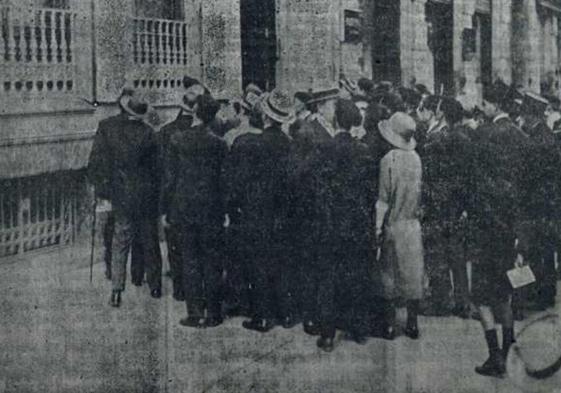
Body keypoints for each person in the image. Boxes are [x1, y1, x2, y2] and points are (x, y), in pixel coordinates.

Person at [470, 81, 526, 377]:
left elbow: (474, 185)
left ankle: (494, 356)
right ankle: (506, 348)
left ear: (493, 105)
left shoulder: (483, 135)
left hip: (485, 228)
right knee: (504, 293)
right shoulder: (520, 137)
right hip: (511, 230)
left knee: (481, 298)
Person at [312, 98, 376, 351]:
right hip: (358, 223)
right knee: (356, 275)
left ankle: (327, 334)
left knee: (328, 277)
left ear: (336, 120)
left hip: (331, 223)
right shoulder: (364, 151)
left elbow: (319, 190)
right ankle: (358, 328)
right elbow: (370, 193)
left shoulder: (325, 148)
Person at [88, 92, 162, 307]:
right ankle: (155, 286)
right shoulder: (149, 133)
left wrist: (102, 191)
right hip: (146, 196)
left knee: (120, 242)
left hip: (121, 195)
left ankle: (117, 291)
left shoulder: (108, 128)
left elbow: (96, 162)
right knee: (150, 242)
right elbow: (157, 169)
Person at [228, 90, 293, 332]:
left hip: (256, 212)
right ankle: (285, 314)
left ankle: (262, 316)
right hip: (283, 213)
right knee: (282, 262)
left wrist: (234, 208)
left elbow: (237, 183)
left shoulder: (251, 144)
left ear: (265, 116)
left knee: (258, 263)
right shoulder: (289, 144)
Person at [162, 94, 228, 328]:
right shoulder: (220, 144)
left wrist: (165, 209)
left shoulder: (178, 140)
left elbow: (170, 180)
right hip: (212, 210)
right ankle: (214, 313)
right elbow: (224, 180)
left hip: (184, 209)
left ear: (195, 112)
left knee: (189, 260)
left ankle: (195, 313)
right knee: (212, 261)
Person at [288, 88, 340, 335]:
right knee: (310, 262)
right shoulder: (306, 132)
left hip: (328, 207)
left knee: (324, 262)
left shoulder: (331, 130)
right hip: (311, 208)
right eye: (332, 105)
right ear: (320, 107)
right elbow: (295, 173)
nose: (335, 109)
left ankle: (324, 310)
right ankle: (310, 314)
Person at [374, 112, 424, 340]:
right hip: (413, 224)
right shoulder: (416, 158)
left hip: (394, 223)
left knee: (389, 276)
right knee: (413, 275)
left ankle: (389, 325)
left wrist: (377, 227)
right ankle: (413, 324)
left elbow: (383, 198)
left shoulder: (389, 160)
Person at [158, 77, 206, 301]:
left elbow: (165, 173)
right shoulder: (211, 130)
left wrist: (163, 206)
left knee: (176, 247)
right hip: (204, 200)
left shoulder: (168, 132)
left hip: (177, 200)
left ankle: (180, 290)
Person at [517, 92, 559, 312]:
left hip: (534, 205)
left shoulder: (533, 141)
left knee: (531, 250)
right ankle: (547, 294)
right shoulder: (549, 136)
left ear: (529, 115)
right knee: (546, 250)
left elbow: (527, 177)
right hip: (549, 205)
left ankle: (532, 295)